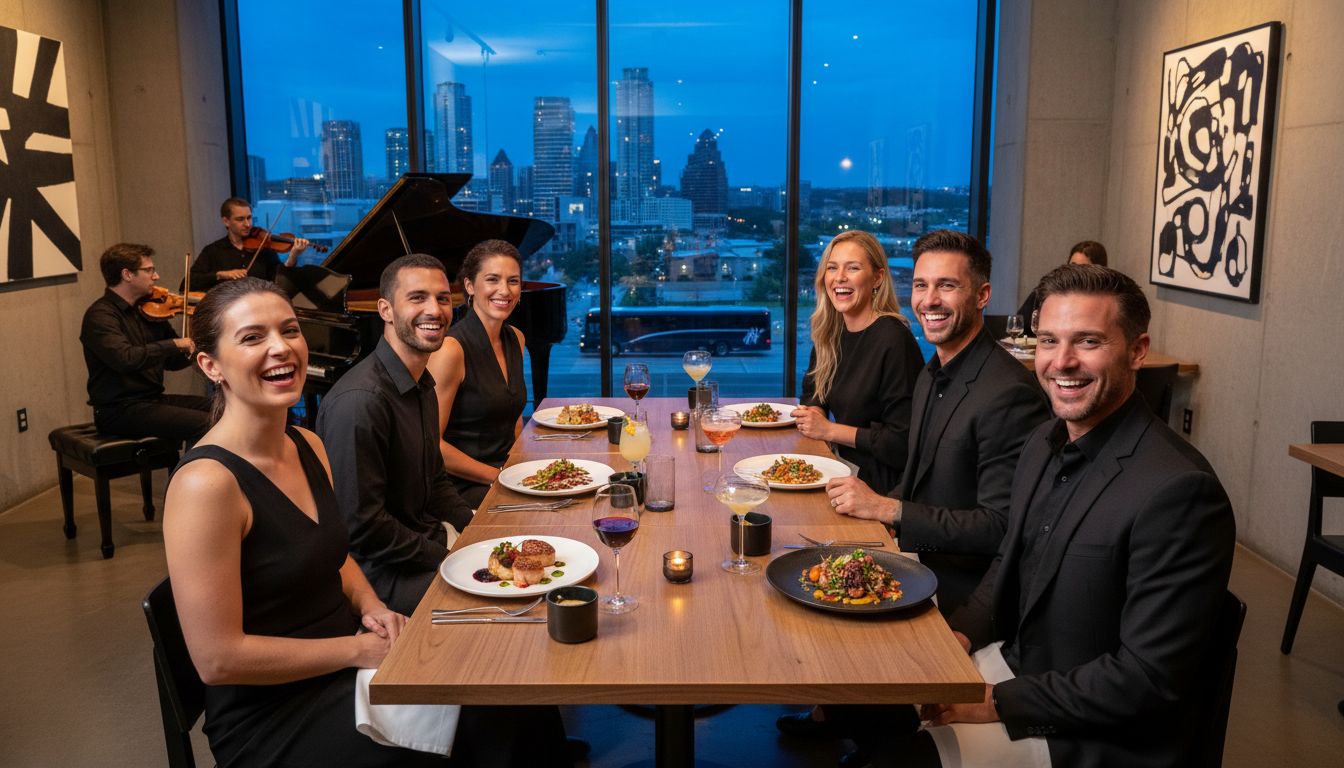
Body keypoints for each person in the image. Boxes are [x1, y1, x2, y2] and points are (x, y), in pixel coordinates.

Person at [845, 264, 1236, 767]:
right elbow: (1007, 566)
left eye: (1088, 341)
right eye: (1049, 340)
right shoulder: (1041, 443)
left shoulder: (1179, 491)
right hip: (1017, 666)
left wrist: (995, 703)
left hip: (1087, 732)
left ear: (1137, 350)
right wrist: (958, 637)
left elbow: (1146, 680)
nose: (1062, 362)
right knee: (868, 706)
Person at [161, 278, 447, 767]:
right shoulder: (205, 485)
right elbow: (218, 660)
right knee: (470, 723)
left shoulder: (307, 444)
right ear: (211, 366)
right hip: (271, 716)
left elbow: (332, 554)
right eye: (253, 337)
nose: (281, 348)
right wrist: (356, 651)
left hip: (341, 667)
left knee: (490, 691)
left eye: (289, 330)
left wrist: (372, 604)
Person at [777, 230, 1050, 740]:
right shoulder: (935, 373)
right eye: (922, 285)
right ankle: (847, 720)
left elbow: (1002, 529)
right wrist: (876, 512)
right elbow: (916, 474)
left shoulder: (1007, 393)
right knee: (800, 569)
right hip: (919, 553)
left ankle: (874, 732)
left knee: (815, 597)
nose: (929, 300)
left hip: (958, 582)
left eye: (947, 286)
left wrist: (889, 511)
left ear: (982, 295)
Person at [316, 253, 474, 616]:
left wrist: (477, 529)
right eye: (417, 298)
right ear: (385, 310)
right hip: (379, 575)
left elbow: (435, 481)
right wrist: (448, 557)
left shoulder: (421, 383)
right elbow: (364, 528)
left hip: (421, 545)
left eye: (442, 298)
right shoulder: (360, 401)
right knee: (509, 609)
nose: (434, 309)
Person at [795, 231, 924, 496]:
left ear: (877, 277)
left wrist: (829, 430)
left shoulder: (894, 339)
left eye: (853, 268)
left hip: (876, 485)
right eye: (832, 268)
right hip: (838, 465)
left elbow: (901, 443)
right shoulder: (830, 333)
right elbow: (813, 393)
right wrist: (815, 415)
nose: (839, 277)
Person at [426, 239, 528, 508]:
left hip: (504, 474)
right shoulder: (451, 349)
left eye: (513, 281)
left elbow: (514, 418)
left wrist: (523, 469)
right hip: (461, 485)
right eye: (492, 279)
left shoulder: (516, 338)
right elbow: (431, 445)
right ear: (470, 286)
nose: (504, 290)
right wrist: (499, 477)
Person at [79, 242, 210, 445]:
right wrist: (175, 344)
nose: (156, 276)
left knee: (224, 409)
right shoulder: (101, 316)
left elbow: (172, 362)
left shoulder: (149, 310)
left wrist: (199, 342)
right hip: (119, 410)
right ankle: (193, 467)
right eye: (149, 270)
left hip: (153, 400)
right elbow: (125, 359)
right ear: (127, 274)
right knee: (206, 423)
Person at [190, 197, 309, 292]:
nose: (247, 224)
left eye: (249, 218)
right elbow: (189, 282)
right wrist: (221, 274)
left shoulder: (264, 247)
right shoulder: (213, 251)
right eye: (240, 219)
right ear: (226, 221)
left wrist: (293, 256)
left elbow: (280, 281)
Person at [1016, 239, 1108, 335]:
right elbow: (1020, 325)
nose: (1076, 271)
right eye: (1073, 266)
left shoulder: (1103, 299)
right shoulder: (1048, 293)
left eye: (1083, 267)